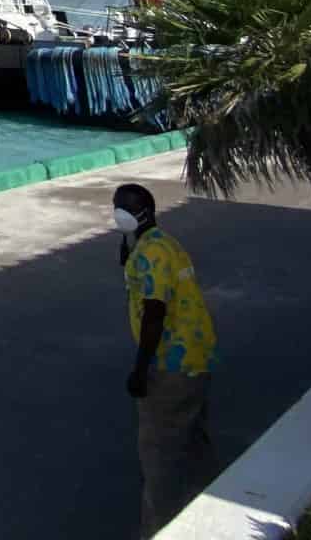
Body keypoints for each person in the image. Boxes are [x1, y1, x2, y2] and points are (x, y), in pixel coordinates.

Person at [116, 182, 217, 536]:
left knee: (159, 456)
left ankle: (158, 530)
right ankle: (212, 514)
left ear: (143, 211)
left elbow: (155, 312)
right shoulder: (160, 242)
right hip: (197, 356)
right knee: (193, 442)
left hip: (171, 364)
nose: (118, 212)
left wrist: (140, 371)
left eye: (124, 207)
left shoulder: (150, 255)